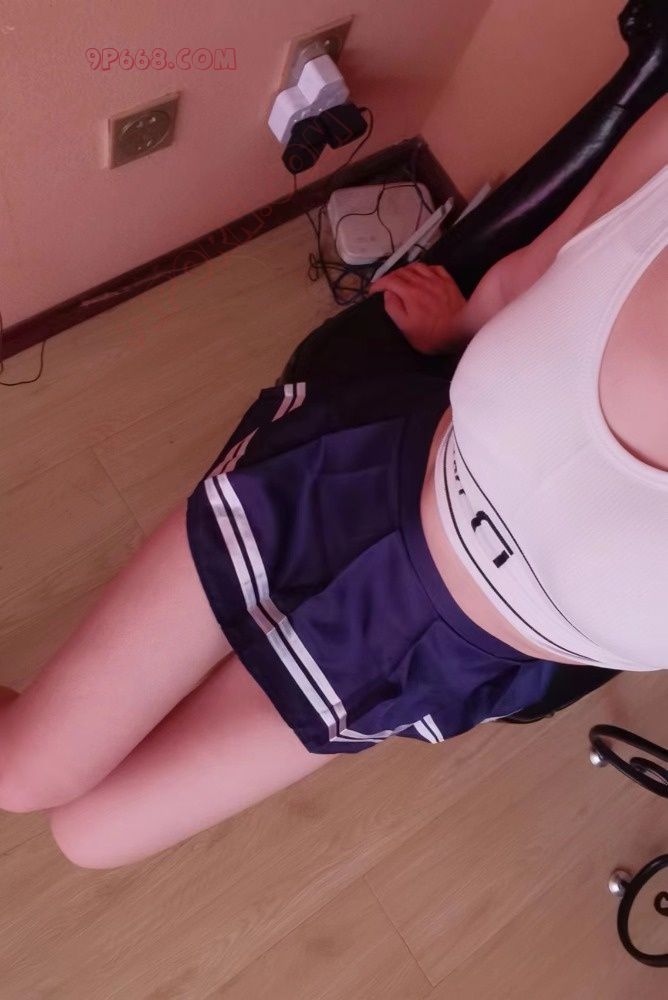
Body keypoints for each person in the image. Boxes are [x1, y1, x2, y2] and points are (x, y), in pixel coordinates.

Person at [0, 96, 666, 870]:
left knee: (90, 836)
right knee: (23, 773)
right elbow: (540, 268)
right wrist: (457, 327)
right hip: (359, 487)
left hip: (449, 659)